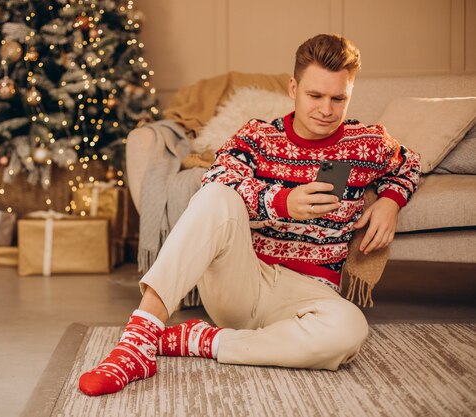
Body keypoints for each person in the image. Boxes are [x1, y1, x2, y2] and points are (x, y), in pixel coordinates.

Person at [78, 33, 422, 396]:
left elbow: (410, 163)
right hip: (243, 280)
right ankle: (138, 342)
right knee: (215, 196)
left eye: (339, 98)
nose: (326, 109)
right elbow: (217, 178)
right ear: (293, 87)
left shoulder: (366, 143)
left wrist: (390, 202)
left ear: (351, 91)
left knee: (350, 330)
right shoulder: (257, 136)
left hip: (309, 294)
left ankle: (206, 341)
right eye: (315, 96)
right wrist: (281, 202)